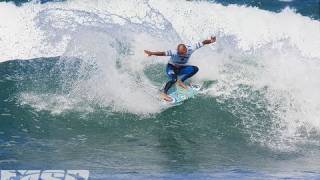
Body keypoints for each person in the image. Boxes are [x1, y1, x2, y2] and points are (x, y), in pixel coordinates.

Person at [144, 36, 216, 101]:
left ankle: (180, 82)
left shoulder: (191, 49)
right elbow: (162, 53)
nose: (180, 54)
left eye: (182, 53)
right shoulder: (174, 52)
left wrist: (211, 41)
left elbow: (203, 43)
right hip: (171, 67)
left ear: (186, 50)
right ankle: (164, 93)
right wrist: (152, 53)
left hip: (181, 68)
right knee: (174, 79)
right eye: (179, 53)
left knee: (195, 69)